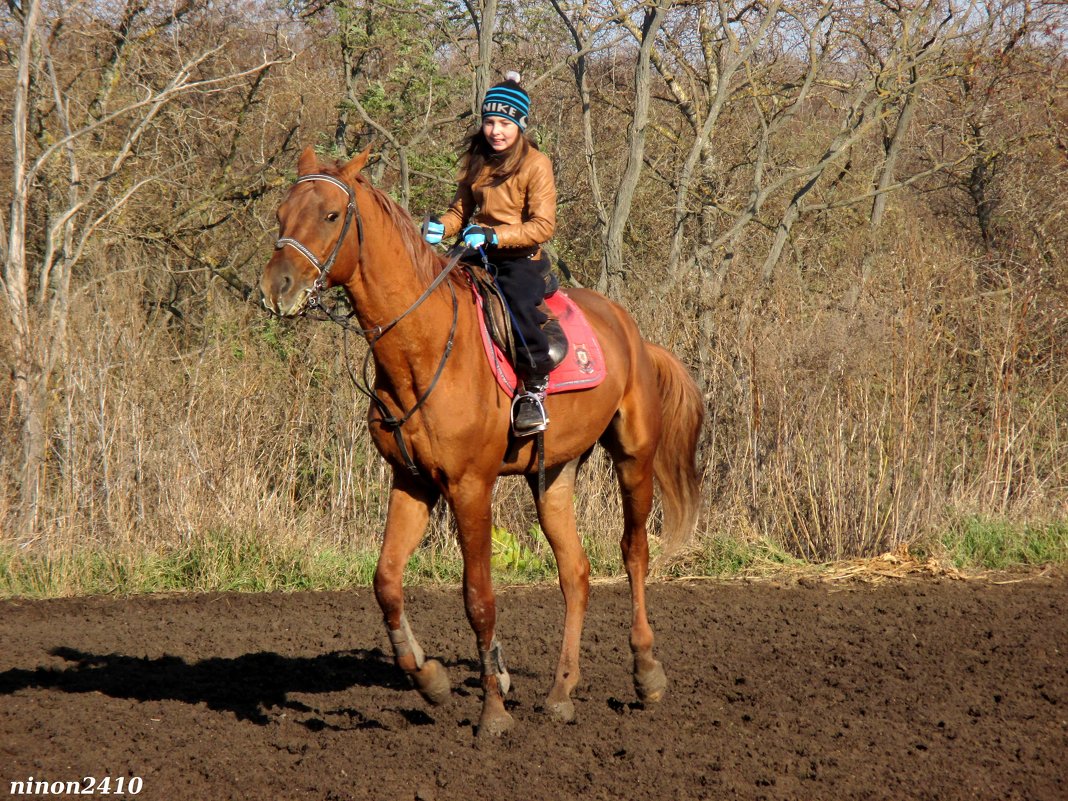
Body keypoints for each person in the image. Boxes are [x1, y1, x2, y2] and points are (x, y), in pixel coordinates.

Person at [424, 71, 558, 436]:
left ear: (520, 123)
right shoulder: (477, 159)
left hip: (519, 260)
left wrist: (494, 236)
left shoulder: (536, 164)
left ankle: (533, 388)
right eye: (489, 122)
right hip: (474, 252)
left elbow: (543, 226)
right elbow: (459, 212)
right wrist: (441, 227)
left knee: (516, 308)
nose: (495, 131)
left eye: (504, 123)